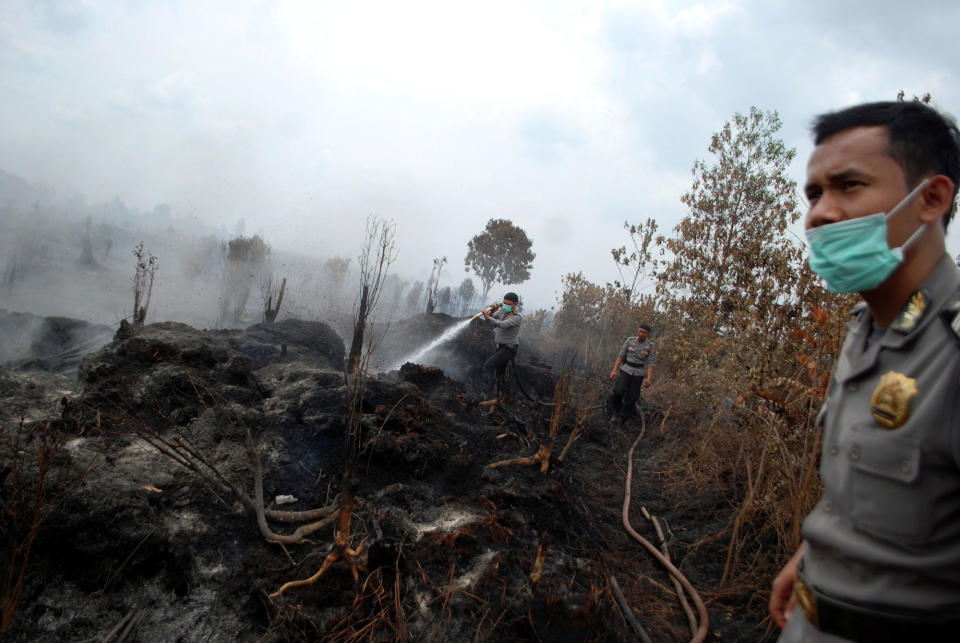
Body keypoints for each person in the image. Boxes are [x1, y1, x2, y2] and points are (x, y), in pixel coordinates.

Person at [769, 101, 960, 642]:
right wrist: (814, 557)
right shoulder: (865, 328)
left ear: (931, 198)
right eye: (814, 193)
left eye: (849, 186)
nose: (820, 214)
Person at [608, 323, 654, 426]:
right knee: (618, 391)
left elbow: (650, 363)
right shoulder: (630, 341)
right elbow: (620, 356)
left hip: (638, 373)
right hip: (626, 370)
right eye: (640, 331)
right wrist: (614, 371)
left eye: (644, 332)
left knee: (633, 397)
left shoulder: (649, 346)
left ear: (647, 334)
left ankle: (623, 420)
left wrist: (649, 378)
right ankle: (616, 413)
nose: (641, 334)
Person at [481, 292, 522, 406]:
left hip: (509, 349)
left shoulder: (517, 317)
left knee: (488, 366)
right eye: (504, 303)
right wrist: (491, 312)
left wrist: (488, 317)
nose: (505, 305)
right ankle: (501, 398)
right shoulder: (502, 311)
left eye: (508, 304)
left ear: (515, 304)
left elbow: (502, 324)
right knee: (500, 373)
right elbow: (491, 322)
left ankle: (485, 394)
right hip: (501, 348)